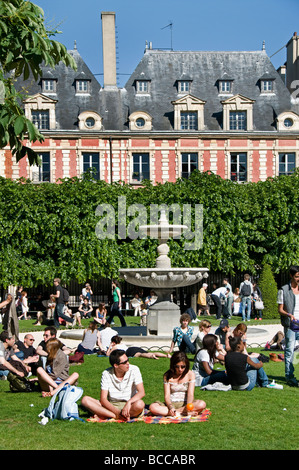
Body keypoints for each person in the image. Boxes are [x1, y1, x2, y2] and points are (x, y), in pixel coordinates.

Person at [81, 349, 145, 421]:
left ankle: (107, 414)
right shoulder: (106, 373)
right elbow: (103, 399)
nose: (128, 363)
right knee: (85, 400)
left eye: (128, 360)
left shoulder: (134, 369)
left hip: (130, 405)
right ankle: (117, 416)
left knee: (140, 404)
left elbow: (141, 392)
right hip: (112, 405)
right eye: (124, 362)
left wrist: (129, 402)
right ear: (116, 365)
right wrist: (116, 412)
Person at [149, 351, 206, 417]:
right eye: (177, 366)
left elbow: (190, 394)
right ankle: (181, 413)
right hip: (171, 403)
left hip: (185, 403)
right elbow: (167, 396)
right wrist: (171, 407)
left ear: (186, 365)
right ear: (173, 365)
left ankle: (176, 413)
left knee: (201, 404)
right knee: (153, 407)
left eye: (183, 367)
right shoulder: (167, 375)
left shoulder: (190, 374)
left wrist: (188, 407)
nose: (180, 369)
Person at [277, 265, 299, 387]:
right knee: (290, 350)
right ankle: (289, 376)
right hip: (291, 324)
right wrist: (289, 315)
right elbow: (280, 309)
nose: (298, 278)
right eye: (296, 276)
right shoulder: (283, 290)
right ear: (291, 276)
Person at [106, 335, 171, 360]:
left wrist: (109, 347)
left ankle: (152, 356)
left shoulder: (116, 346)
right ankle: (166, 355)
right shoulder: (122, 344)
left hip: (129, 352)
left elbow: (107, 354)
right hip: (132, 348)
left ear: (113, 342)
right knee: (149, 352)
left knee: (140, 354)